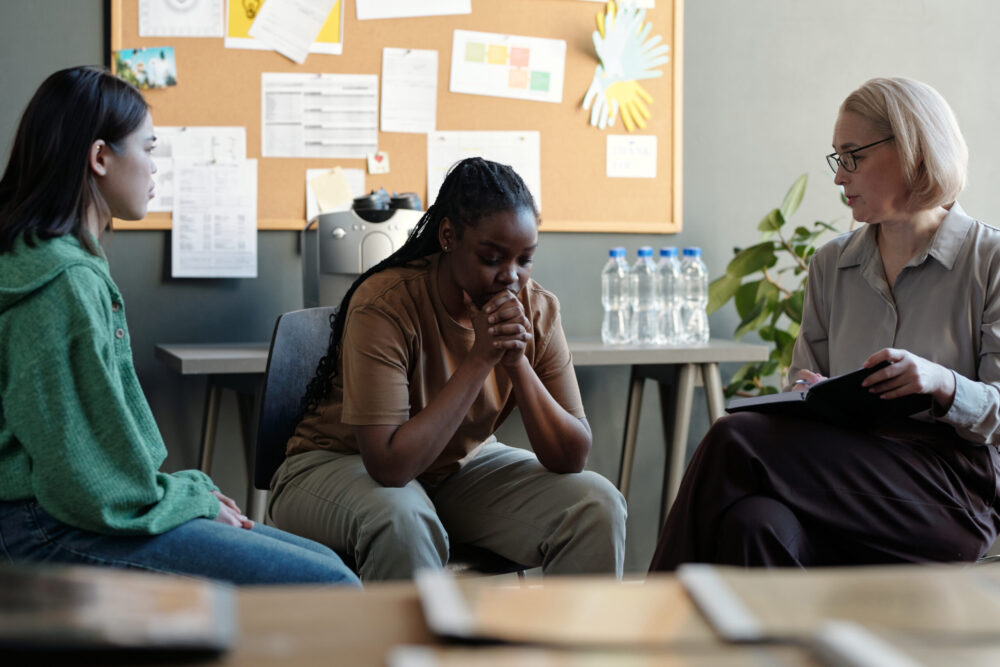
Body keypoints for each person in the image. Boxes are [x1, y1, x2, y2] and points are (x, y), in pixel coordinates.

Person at [0, 66, 359, 587]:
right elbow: (87, 484)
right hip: (45, 529)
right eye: (148, 149)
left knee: (331, 567)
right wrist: (187, 499)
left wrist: (182, 494)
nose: (155, 170)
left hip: (57, 512)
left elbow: (92, 465)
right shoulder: (64, 283)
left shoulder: (48, 261)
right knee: (334, 587)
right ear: (100, 158)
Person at [649, 77, 1000, 571]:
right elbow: (801, 380)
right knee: (754, 522)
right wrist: (810, 392)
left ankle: (652, 629)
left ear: (913, 151)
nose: (839, 177)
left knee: (734, 437)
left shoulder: (991, 259)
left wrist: (943, 384)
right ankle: (757, 649)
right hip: (841, 472)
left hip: (950, 491)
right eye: (837, 159)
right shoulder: (831, 263)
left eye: (852, 156)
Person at [267, 157, 627, 581]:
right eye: (491, 258)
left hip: (457, 468)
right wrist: (480, 359)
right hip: (334, 465)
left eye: (525, 259)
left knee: (595, 504)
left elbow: (571, 456)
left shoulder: (538, 309)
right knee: (403, 518)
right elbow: (390, 467)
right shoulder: (385, 304)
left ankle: (563, 648)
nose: (510, 277)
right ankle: (413, 649)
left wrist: (516, 362)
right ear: (449, 236)